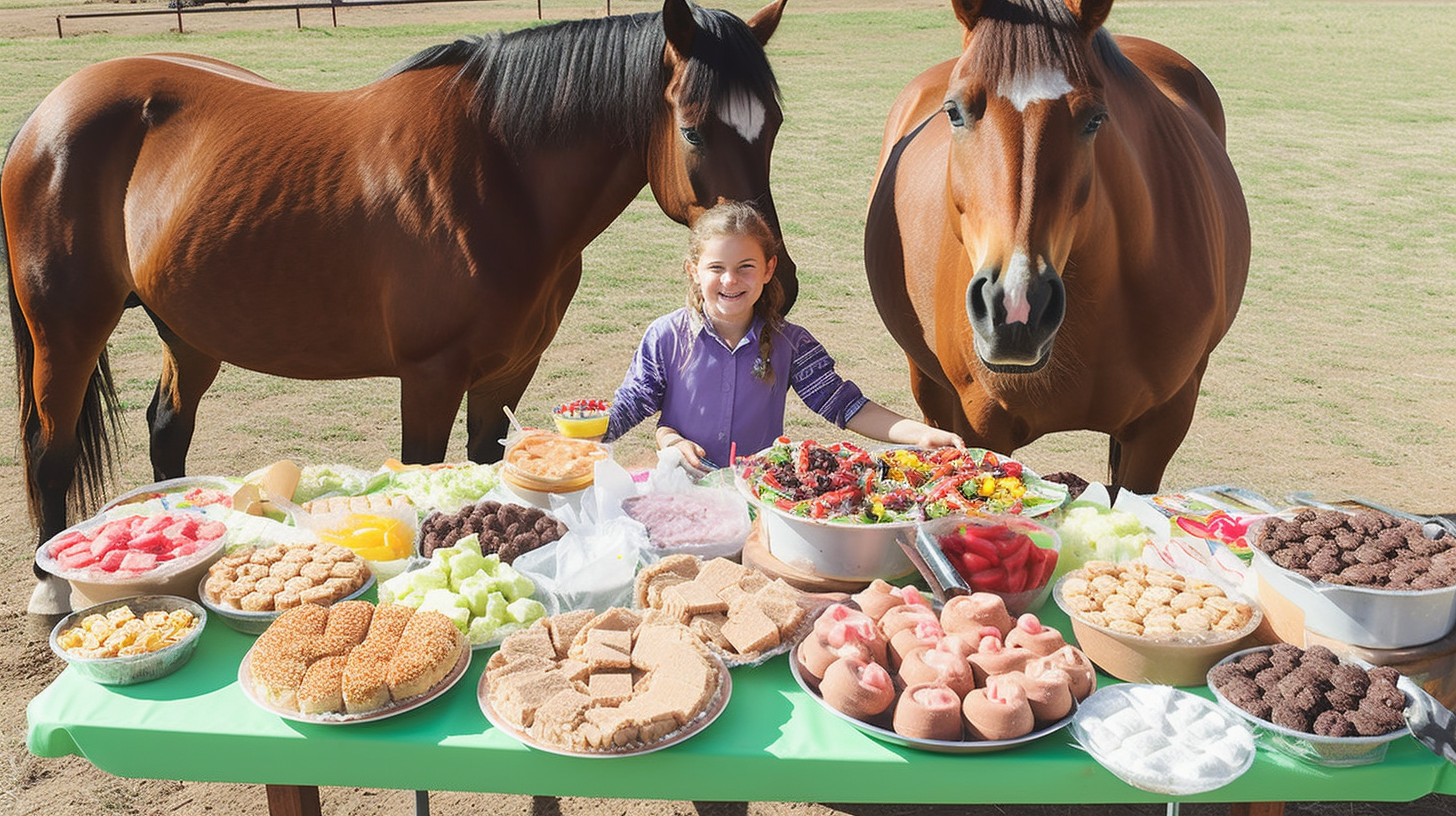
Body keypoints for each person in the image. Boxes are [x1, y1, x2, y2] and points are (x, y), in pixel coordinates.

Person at [604, 200, 963, 472]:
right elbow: (632, 405)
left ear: (768, 269)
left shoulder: (791, 343)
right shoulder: (665, 336)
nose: (730, 280)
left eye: (745, 267)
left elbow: (844, 404)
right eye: (716, 268)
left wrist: (919, 433)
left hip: (755, 494)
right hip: (680, 492)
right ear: (693, 271)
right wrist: (584, 433)